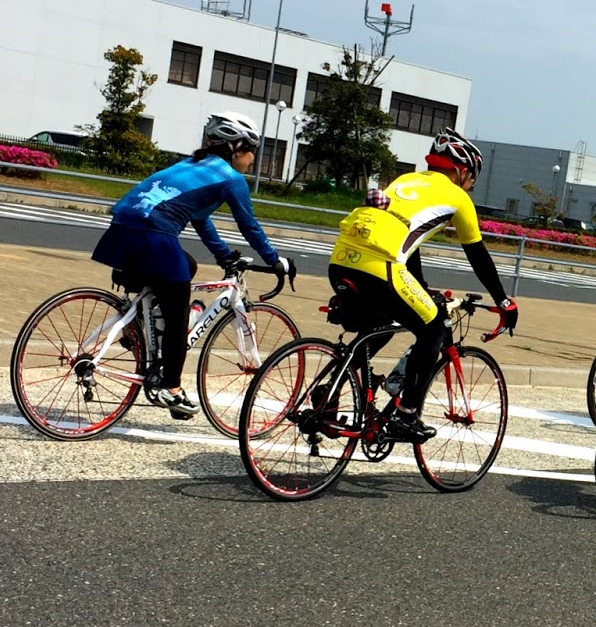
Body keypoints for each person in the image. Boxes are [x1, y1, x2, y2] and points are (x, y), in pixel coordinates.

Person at [91, 111, 293, 420]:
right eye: (252, 149)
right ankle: (170, 388)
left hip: (120, 230)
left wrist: (223, 255)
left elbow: (200, 219)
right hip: (153, 236)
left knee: (186, 266)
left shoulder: (189, 165)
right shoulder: (231, 179)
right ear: (235, 146)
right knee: (179, 315)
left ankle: (143, 330)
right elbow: (249, 226)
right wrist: (275, 261)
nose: (252, 159)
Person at [328, 128, 518, 443]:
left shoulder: (405, 181)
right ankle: (407, 416)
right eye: (472, 177)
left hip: (341, 259)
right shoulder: (458, 197)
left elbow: (407, 240)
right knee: (434, 328)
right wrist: (503, 301)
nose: (471, 184)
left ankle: (331, 388)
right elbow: (478, 256)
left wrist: (422, 288)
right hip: (381, 264)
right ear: (462, 171)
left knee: (384, 321)